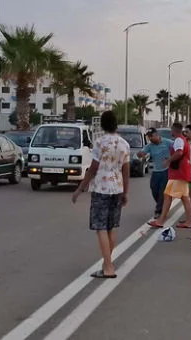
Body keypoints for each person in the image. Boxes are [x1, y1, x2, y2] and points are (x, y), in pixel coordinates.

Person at [73, 110, 130, 278]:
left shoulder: (99, 143)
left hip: (101, 189)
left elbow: (93, 169)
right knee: (112, 226)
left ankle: (108, 267)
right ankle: (107, 264)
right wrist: (126, 192)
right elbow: (126, 171)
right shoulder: (124, 144)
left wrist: (80, 188)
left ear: (102, 125)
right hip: (117, 189)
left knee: (101, 228)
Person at [148, 122, 191, 229]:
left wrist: (169, 160)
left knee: (168, 195)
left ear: (174, 130)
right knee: (184, 198)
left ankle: (161, 221)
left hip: (179, 173)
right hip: (182, 172)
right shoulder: (183, 139)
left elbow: (179, 152)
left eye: (172, 130)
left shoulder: (178, 140)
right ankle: (188, 221)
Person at [139, 128, 173, 220]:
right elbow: (142, 152)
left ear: (156, 135)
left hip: (166, 171)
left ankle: (158, 210)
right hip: (156, 171)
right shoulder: (150, 146)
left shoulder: (168, 142)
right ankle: (163, 205)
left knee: (162, 191)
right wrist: (140, 154)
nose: (150, 138)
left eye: (151, 136)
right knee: (154, 189)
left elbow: (176, 151)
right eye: (149, 137)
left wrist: (170, 160)